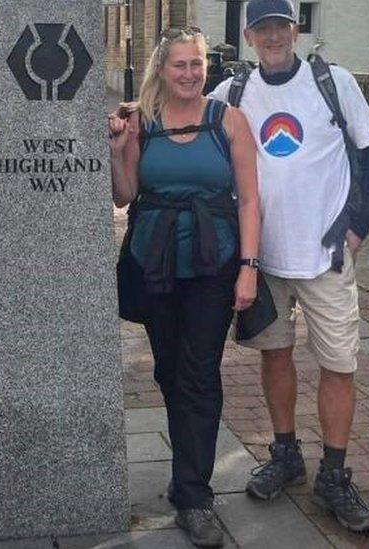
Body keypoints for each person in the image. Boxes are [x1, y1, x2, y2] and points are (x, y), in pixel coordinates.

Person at [208, 0, 369, 535]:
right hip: (264, 257)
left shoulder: (333, 83)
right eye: (263, 28)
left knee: (339, 363)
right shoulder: (236, 92)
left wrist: (357, 230)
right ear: (249, 36)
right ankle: (286, 453)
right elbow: (184, 109)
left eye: (282, 26)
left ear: (296, 28)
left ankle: (334, 473)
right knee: (275, 355)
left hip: (326, 255)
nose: (273, 36)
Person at [109, 26, 260, 548]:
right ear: (162, 69)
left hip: (213, 262)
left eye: (197, 65)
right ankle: (185, 471)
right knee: (171, 371)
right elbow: (126, 194)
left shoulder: (229, 121)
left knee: (199, 373)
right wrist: (116, 148)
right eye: (180, 65)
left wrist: (249, 265)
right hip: (155, 259)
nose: (191, 74)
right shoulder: (142, 123)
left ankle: (194, 495)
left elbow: (249, 200)